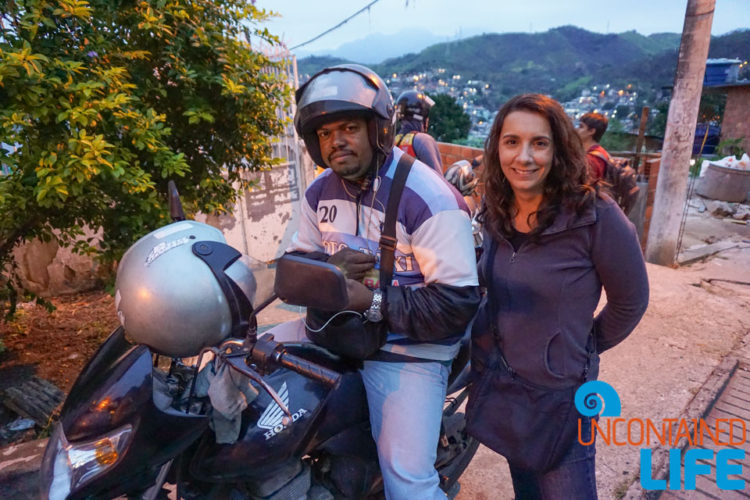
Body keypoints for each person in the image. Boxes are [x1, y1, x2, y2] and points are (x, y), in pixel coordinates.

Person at [288, 64, 480, 499]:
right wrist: (327, 273)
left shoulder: (429, 197)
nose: (335, 141)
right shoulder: (319, 193)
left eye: (349, 127)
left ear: (378, 129)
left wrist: (367, 302)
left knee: (407, 482)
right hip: (336, 331)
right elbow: (299, 263)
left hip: (410, 346)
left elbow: (454, 307)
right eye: (324, 133)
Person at [471, 94, 649, 499]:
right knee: (529, 492)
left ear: (559, 149)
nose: (525, 157)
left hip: (563, 396)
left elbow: (631, 301)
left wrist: (579, 347)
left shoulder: (594, 215)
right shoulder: (498, 210)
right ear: (497, 147)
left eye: (540, 143)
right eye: (512, 141)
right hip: (509, 387)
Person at [394, 90, 444, 173]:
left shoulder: (394, 141)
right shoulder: (423, 141)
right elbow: (439, 181)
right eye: (426, 115)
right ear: (421, 116)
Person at [576, 112, 611, 181]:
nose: (577, 129)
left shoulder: (593, 158)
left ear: (591, 131)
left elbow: (587, 186)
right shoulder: (599, 152)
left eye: (581, 127)